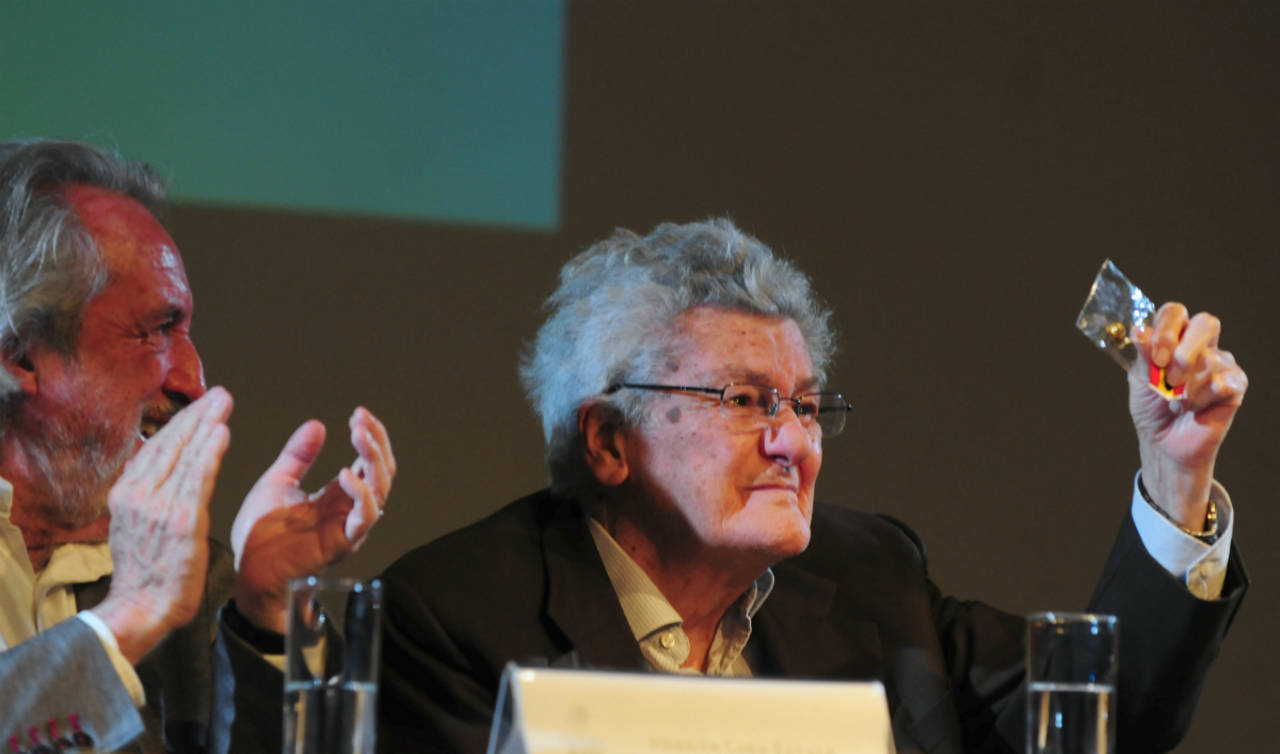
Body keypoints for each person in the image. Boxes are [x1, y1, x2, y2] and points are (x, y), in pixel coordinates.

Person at [378, 218, 1248, 753]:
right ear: (609, 441)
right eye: (744, 401)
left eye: (804, 404)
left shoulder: (869, 577)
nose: (794, 441)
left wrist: (1176, 471)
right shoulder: (453, 618)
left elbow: (1101, 722)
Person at [0, 140, 396, 753]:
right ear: (22, 354)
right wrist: (128, 616)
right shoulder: (152, 589)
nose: (194, 381)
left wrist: (265, 617)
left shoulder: (197, 581)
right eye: (156, 331)